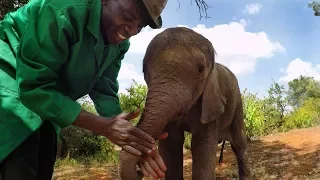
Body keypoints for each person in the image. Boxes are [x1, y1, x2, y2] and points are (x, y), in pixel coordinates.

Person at [0, 0, 169, 179]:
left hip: (48, 94)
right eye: (128, 17)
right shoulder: (64, 7)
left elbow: (104, 86)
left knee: (44, 160)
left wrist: (131, 139)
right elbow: (32, 87)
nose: (133, 31)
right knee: (20, 156)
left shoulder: (119, 44)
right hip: (11, 73)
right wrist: (104, 127)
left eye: (140, 26)